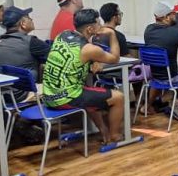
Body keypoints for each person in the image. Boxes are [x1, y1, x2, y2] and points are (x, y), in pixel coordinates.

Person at [42, 9, 124, 145]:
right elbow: (115, 58)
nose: (101, 26)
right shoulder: (88, 49)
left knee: (90, 90)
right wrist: (111, 34)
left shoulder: (63, 35)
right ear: (90, 29)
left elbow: (77, 56)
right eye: (98, 23)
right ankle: (114, 135)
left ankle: (103, 130)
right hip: (66, 98)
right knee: (118, 97)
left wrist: (95, 60)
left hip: (48, 96)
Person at [0, 6, 50, 102]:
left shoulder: (0, 42)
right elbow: (56, 56)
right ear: (23, 24)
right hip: (22, 94)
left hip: (1, 95)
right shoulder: (31, 42)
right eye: (28, 17)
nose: (31, 20)